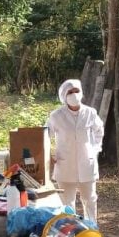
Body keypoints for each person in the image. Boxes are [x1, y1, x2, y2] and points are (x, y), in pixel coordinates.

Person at [46, 79, 105, 222]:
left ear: (81, 93)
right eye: (70, 92)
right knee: (67, 202)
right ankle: (70, 231)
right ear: (64, 96)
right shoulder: (56, 116)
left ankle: (91, 228)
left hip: (87, 163)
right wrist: (49, 154)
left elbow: (99, 131)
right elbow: (45, 135)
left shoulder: (90, 113)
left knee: (90, 199)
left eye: (76, 91)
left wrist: (94, 150)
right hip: (65, 164)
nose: (74, 95)